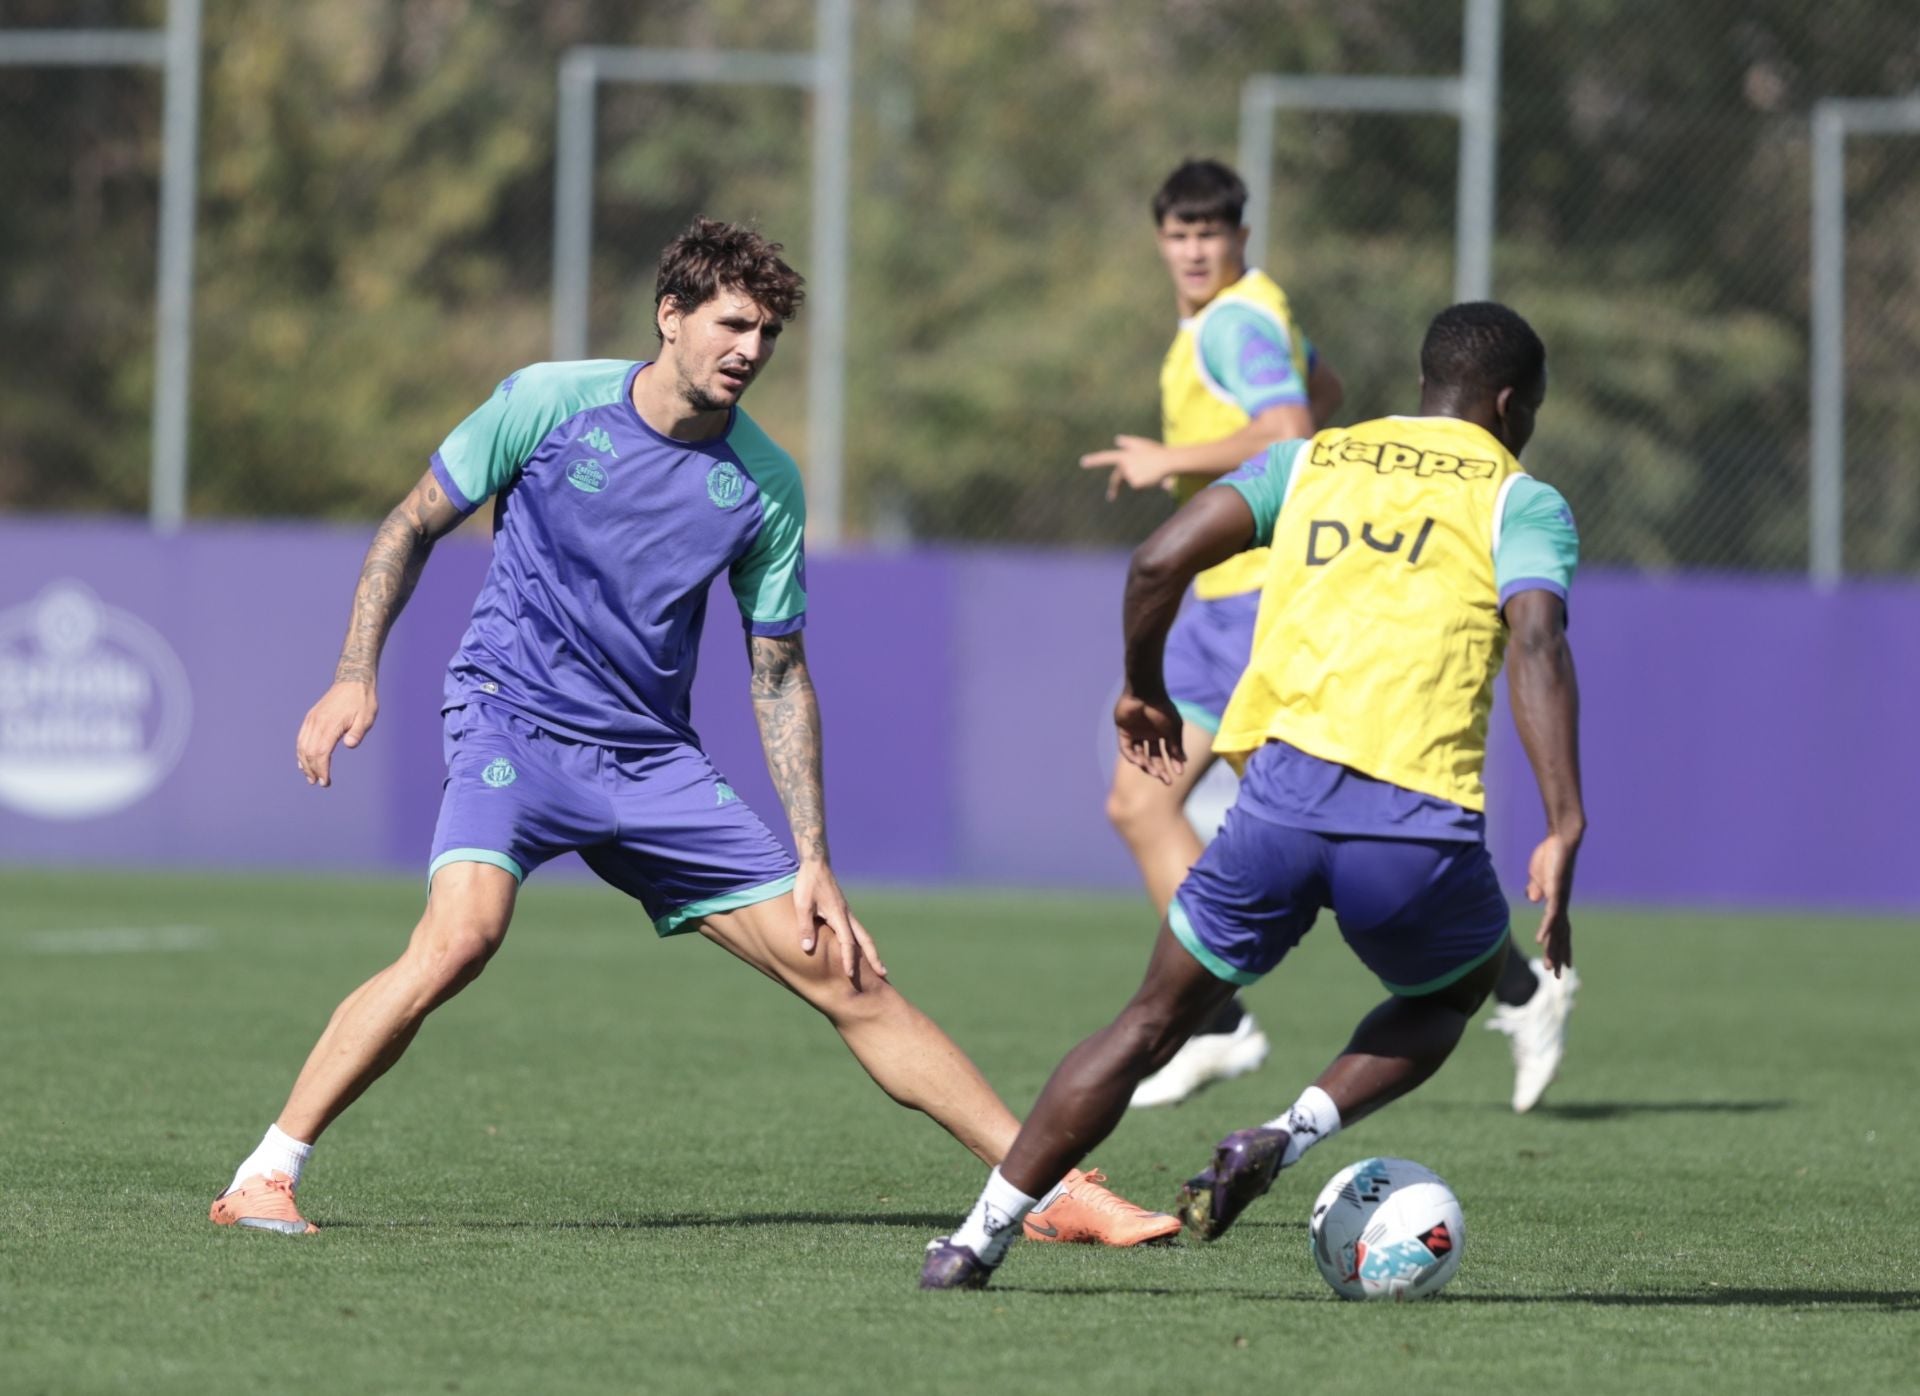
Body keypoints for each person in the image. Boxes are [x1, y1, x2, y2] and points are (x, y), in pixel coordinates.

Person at [208, 218, 1175, 1249]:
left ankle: (1048, 1187)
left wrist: (815, 859)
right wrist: (355, 674)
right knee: (461, 937)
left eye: (766, 333)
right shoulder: (546, 402)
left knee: (842, 967)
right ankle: (266, 1172)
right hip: (512, 721)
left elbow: (777, 673)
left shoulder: (764, 486)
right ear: (669, 317)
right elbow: (409, 524)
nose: (750, 350)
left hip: (649, 762)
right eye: (732, 324)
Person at [924, 302, 1584, 1289]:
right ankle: (1285, 1130)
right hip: (1412, 828)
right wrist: (1564, 817)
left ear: (1419, 386)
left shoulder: (1311, 460)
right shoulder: (1520, 498)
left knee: (1147, 1023)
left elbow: (1157, 561)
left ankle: (973, 1239)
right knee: (1452, 990)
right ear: (1509, 404)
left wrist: (1141, 684)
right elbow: (1535, 641)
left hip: (1272, 810)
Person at [1079, 159, 1343, 1107]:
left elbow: (1288, 426)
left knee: (1311, 818)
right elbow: (1327, 392)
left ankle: (1218, 1012)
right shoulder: (1250, 312)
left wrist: (1169, 460)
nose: (1194, 250)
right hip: (1223, 596)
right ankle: (1219, 1016)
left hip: (1257, 599)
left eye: (1211, 233)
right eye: (1179, 234)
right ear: (1161, 240)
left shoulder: (1233, 321)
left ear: (1239, 238)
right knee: (1141, 800)